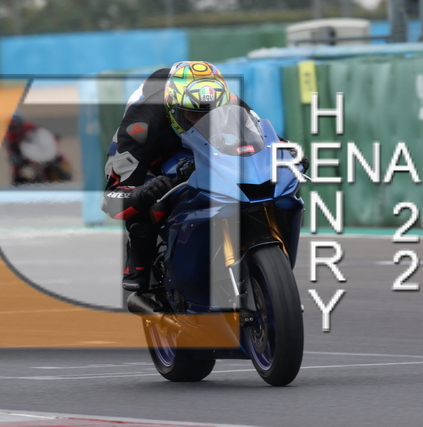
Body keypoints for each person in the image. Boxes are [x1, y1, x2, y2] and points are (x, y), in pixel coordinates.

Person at [101, 61, 306, 293]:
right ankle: (139, 263)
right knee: (145, 202)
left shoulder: (228, 101)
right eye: (193, 115)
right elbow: (112, 201)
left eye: (212, 113)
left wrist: (289, 154)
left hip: (205, 145)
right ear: (173, 108)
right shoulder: (140, 124)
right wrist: (145, 192)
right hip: (152, 150)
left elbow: (266, 139)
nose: (203, 121)